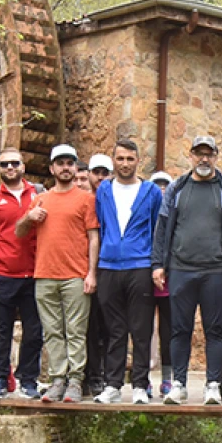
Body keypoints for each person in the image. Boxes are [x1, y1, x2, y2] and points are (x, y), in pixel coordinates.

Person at [152, 136, 222, 405]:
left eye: (209, 154)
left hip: (217, 270)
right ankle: (179, 384)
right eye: (199, 154)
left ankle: (213, 385)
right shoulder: (177, 188)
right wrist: (158, 264)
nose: (203, 159)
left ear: (216, 156)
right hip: (181, 269)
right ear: (191, 156)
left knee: (216, 330)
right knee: (179, 329)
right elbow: (162, 229)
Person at [16, 145, 99, 404]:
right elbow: (19, 232)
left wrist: (91, 273)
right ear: (52, 168)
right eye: (60, 163)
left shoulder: (86, 199)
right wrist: (29, 217)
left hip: (75, 275)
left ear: (76, 168)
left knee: (75, 330)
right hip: (45, 275)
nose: (65, 167)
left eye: (70, 163)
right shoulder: (41, 199)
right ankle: (56, 380)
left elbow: (93, 237)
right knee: (52, 331)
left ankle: (75, 381)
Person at [94, 139, 162, 404]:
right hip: (109, 266)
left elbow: (157, 229)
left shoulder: (151, 192)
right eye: (120, 158)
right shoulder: (104, 190)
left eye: (130, 159)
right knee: (114, 329)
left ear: (138, 161)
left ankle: (140, 386)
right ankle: (112, 385)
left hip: (140, 265)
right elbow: (100, 225)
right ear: (114, 161)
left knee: (141, 328)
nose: (125, 164)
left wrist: (156, 265)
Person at [0, 149, 43, 399]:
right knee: (0, 331)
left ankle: (29, 380)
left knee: (34, 330)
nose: (10, 167)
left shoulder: (38, 195)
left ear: (23, 166)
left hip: (35, 274)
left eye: (15, 163)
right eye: (5, 164)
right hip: (4, 274)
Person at [84, 153, 113, 396]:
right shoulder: (84, 201)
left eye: (105, 173)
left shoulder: (114, 199)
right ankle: (88, 376)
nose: (101, 177)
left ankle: (102, 376)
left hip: (110, 270)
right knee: (86, 327)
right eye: (97, 173)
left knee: (106, 327)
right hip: (83, 269)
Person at [149, 171, 174, 397]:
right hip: (145, 280)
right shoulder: (145, 215)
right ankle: (143, 377)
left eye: (166, 186)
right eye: (157, 186)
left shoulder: (174, 216)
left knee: (168, 332)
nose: (162, 190)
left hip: (169, 282)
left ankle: (167, 379)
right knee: (143, 331)